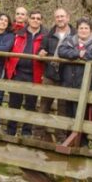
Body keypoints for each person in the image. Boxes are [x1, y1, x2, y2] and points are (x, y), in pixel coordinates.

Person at [58, 17, 92, 146]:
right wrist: (79, 54)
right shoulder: (69, 40)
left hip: (85, 84)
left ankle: (82, 142)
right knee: (69, 112)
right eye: (81, 28)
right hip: (68, 82)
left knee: (82, 113)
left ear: (90, 30)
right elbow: (62, 51)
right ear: (77, 29)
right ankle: (69, 140)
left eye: (86, 28)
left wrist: (83, 54)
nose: (83, 30)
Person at [35, 8, 76, 142]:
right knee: (44, 105)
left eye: (62, 16)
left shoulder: (75, 35)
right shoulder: (49, 34)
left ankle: (61, 136)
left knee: (63, 108)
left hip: (66, 76)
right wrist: (41, 52)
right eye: (57, 17)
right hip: (50, 74)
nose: (60, 19)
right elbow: (42, 48)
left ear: (68, 18)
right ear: (55, 19)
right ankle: (39, 133)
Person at [5, 10, 47, 136]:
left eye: (38, 18)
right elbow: (9, 49)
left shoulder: (45, 36)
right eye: (33, 18)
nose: (35, 20)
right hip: (18, 72)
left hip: (34, 74)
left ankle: (26, 131)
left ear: (41, 21)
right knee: (14, 102)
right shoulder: (18, 33)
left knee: (31, 103)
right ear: (28, 19)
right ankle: (10, 130)